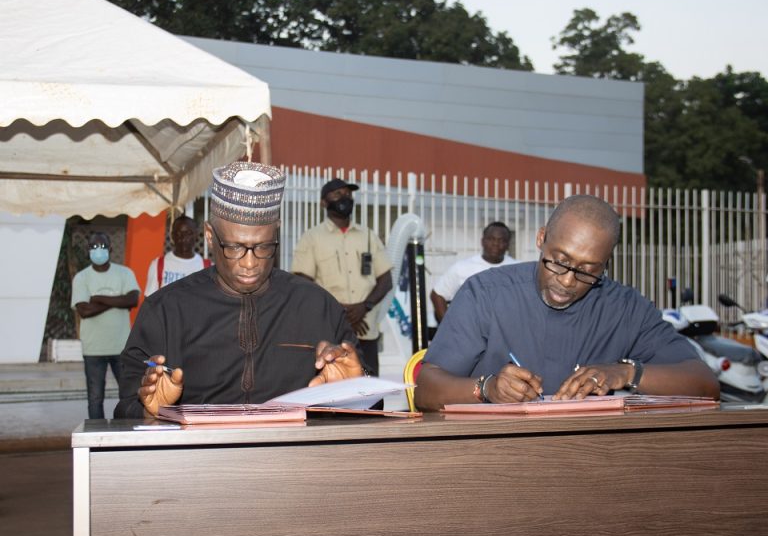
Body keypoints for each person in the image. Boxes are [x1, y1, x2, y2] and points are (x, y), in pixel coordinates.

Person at [415, 195, 720, 410]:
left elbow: (705, 384)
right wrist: (486, 388)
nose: (568, 281)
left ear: (605, 264)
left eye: (588, 271)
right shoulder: (486, 293)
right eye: (559, 261)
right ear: (541, 239)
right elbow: (426, 390)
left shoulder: (625, 308)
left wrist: (628, 373)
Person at [115, 162, 367, 419]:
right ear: (210, 237)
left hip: (295, 458)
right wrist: (150, 411)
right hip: (200, 457)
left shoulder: (318, 306)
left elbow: (367, 407)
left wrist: (356, 393)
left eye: (264, 247)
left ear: (276, 232)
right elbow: (125, 408)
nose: (250, 263)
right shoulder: (165, 311)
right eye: (234, 247)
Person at [291, 178, 393, 375]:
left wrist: (365, 307)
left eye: (347, 193)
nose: (344, 197)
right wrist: (339, 311)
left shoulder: (368, 235)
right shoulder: (311, 238)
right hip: (329, 333)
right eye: (337, 194)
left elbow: (386, 279)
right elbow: (303, 282)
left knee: (371, 390)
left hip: (365, 329)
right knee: (332, 393)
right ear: (323, 202)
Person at [71, 232, 140, 419]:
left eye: (102, 246)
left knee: (128, 395)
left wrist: (98, 298)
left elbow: (133, 299)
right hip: (93, 349)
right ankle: (96, 438)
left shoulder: (125, 273)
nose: (98, 251)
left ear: (110, 248)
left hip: (121, 347)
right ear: (88, 251)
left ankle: (126, 433)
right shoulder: (81, 278)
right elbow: (84, 311)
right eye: (94, 247)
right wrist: (118, 300)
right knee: (95, 398)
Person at [430, 221, 517, 323]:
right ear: (482, 241)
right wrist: (449, 327)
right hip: (471, 332)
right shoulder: (462, 268)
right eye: (491, 239)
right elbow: (437, 294)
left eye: (501, 240)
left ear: (508, 245)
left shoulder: (517, 269)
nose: (495, 244)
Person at [144, 215, 211, 297]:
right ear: (172, 236)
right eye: (179, 233)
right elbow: (150, 302)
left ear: (196, 235)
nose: (183, 238)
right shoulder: (158, 265)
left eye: (188, 233)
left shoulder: (207, 268)